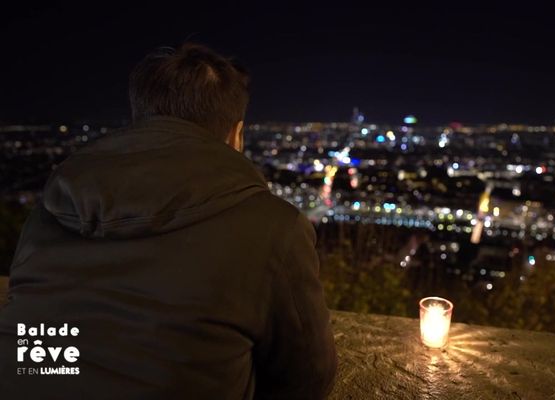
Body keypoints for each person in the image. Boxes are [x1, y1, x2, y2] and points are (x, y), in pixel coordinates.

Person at [0, 42, 337, 399]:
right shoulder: (273, 227)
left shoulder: (55, 205)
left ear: (141, 121)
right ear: (236, 134)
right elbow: (310, 376)